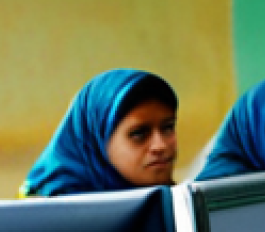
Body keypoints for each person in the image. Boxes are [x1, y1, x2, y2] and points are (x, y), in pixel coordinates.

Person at [21, 68, 178, 196]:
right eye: (138, 134)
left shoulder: (173, 201)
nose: (160, 145)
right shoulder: (51, 214)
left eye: (168, 128)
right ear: (97, 142)